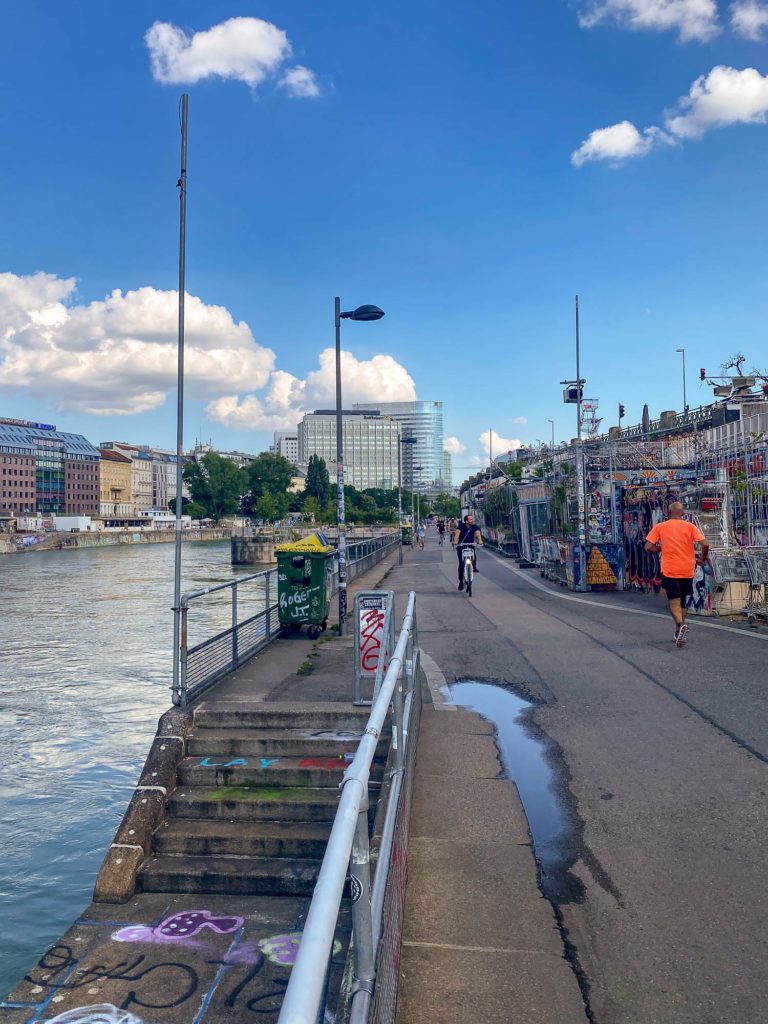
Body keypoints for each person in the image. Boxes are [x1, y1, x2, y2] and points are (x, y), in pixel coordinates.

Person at [644, 502, 708, 647]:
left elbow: (647, 546)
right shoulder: (690, 527)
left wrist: (660, 548)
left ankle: (680, 625)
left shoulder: (661, 527)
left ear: (668, 512)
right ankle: (679, 631)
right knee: (683, 601)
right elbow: (705, 543)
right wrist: (702, 560)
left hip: (670, 569)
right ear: (682, 513)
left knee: (674, 601)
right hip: (687, 569)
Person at [453, 514, 483, 590]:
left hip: (470, 545)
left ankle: (473, 568)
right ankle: (460, 581)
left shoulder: (474, 526)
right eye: (470, 519)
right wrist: (456, 542)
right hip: (461, 546)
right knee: (461, 564)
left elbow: (478, 534)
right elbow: (457, 534)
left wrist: (480, 540)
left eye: (472, 519)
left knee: (474, 558)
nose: (472, 520)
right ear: (466, 521)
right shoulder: (460, 526)